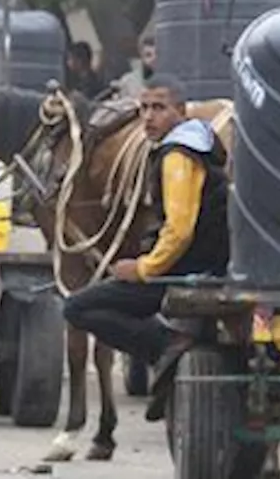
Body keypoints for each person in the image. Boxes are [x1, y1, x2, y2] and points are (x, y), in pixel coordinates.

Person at [61, 74, 230, 419]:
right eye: (144, 109)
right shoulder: (201, 144)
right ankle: (168, 355)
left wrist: (143, 269)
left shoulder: (177, 156)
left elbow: (179, 231)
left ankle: (169, 348)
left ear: (181, 111)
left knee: (79, 308)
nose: (149, 117)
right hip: (203, 265)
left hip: (184, 273)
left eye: (159, 108)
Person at [115, 32, 157, 100]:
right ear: (142, 58)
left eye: (158, 53)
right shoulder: (129, 82)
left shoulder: (176, 77)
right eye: (148, 55)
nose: (154, 58)